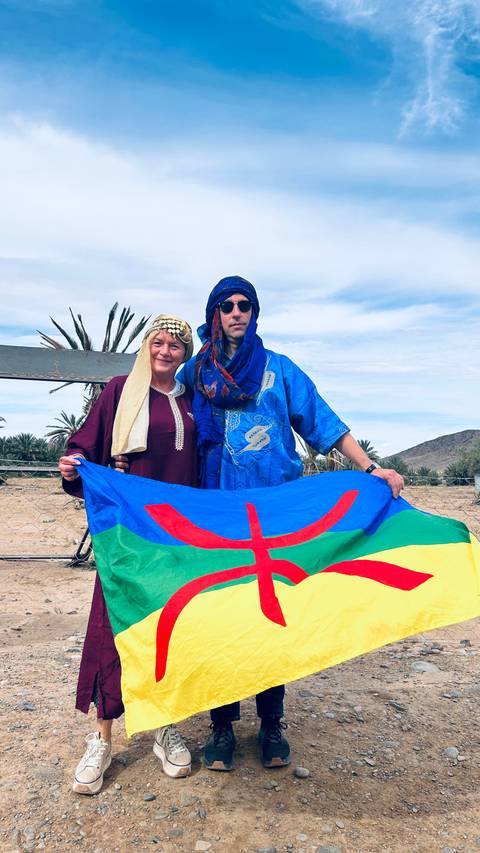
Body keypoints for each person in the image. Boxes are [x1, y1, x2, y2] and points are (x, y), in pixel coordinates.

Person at [175, 275, 404, 772]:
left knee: (271, 616)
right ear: (215, 313)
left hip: (276, 517)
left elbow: (326, 424)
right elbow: (158, 413)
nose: (237, 312)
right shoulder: (195, 373)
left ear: (255, 314)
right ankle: (221, 726)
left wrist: (370, 470)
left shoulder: (280, 371)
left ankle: (272, 723)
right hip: (214, 516)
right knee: (221, 619)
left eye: (246, 305)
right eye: (228, 305)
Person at [59, 314, 197, 794]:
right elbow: (85, 448)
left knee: (169, 629)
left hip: (178, 539)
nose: (166, 351)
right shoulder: (120, 390)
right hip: (128, 535)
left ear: (186, 353)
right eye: (158, 342)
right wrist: (76, 469)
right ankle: (101, 739)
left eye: (176, 345)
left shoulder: (193, 402)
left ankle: (163, 725)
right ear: (147, 347)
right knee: (112, 628)